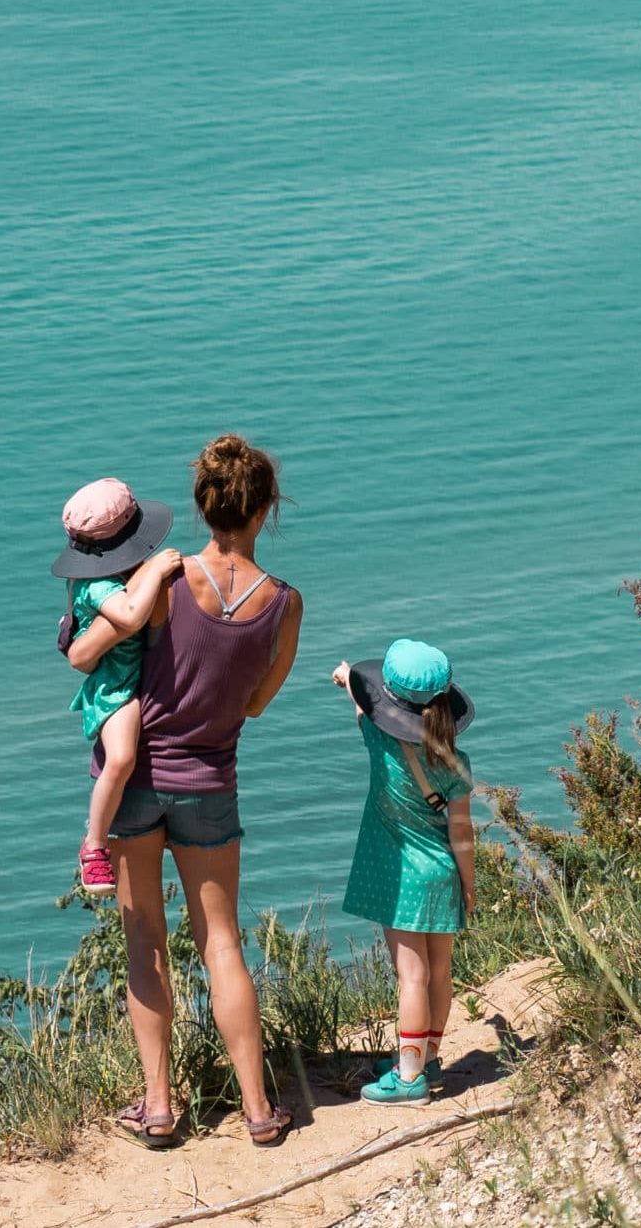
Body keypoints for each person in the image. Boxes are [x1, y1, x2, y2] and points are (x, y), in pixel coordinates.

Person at [104, 435, 303, 1150]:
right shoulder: (284, 605)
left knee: (144, 943)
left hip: (135, 783)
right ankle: (257, 1111)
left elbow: (105, 641)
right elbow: (254, 704)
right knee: (221, 942)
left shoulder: (165, 579)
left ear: (201, 504)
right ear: (266, 509)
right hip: (210, 781)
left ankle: (158, 1109)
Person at [331, 639, 476, 1106]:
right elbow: (462, 831)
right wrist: (468, 884)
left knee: (410, 976)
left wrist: (347, 677)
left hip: (404, 879)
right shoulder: (457, 762)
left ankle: (410, 1078)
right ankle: (426, 1056)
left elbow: (365, 709)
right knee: (439, 973)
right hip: (442, 873)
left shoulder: (381, 742)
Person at [50, 478, 182, 896]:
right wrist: (157, 569)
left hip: (137, 676)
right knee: (121, 758)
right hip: (116, 685)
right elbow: (128, 616)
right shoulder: (95, 584)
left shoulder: (110, 572)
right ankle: (94, 846)